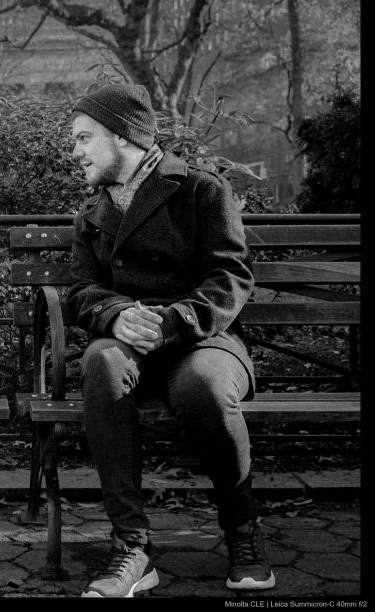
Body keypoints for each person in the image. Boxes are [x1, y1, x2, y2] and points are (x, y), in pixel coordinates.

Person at [64, 83, 275, 597]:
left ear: (122, 137)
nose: (76, 152)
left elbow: (231, 277)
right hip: (129, 345)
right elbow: (79, 290)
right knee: (101, 363)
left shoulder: (200, 189)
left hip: (203, 339)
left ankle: (242, 532)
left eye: (84, 138)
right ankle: (132, 548)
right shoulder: (92, 214)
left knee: (202, 386)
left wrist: (173, 320)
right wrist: (114, 316)